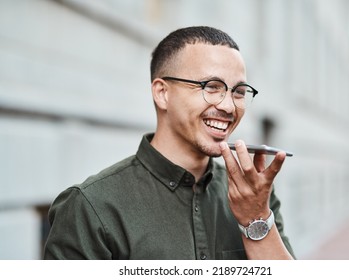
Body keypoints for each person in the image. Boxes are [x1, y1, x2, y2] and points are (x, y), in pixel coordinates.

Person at [44, 26, 295, 260]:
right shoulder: (90, 207)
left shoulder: (254, 196)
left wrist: (255, 219)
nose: (229, 106)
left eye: (239, 92)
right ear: (162, 93)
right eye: (211, 86)